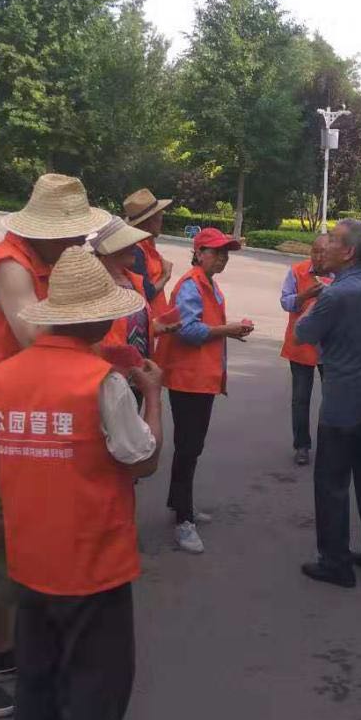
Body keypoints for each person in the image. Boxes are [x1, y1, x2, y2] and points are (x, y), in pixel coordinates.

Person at [0, 175, 111, 719]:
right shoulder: (10, 267)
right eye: (73, 236)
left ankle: (1, 649)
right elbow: (35, 338)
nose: (78, 244)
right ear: (48, 230)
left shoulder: (30, 261)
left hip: (6, 415)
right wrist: (94, 336)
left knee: (10, 536)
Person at [0, 248, 164, 720]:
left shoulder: (3, 377)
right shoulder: (101, 384)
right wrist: (152, 396)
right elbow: (143, 459)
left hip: (29, 557)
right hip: (93, 561)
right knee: (96, 689)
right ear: (101, 319)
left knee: (36, 682)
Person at [296, 218, 361, 588]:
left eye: (332, 240)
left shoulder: (335, 295)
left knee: (332, 484)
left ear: (348, 252)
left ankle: (335, 562)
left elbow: (303, 333)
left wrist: (310, 298)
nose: (324, 245)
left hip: (343, 407)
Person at [154, 228, 253, 555]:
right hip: (189, 379)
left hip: (200, 378)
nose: (222, 258)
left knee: (190, 447)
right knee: (188, 448)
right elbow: (189, 331)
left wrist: (229, 331)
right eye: (216, 252)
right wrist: (228, 330)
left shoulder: (206, 283)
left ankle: (180, 504)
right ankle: (183, 520)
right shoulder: (191, 285)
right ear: (198, 253)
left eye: (226, 253)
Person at [93, 217, 179, 363]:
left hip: (137, 369)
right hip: (111, 369)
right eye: (127, 242)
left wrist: (153, 327)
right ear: (111, 249)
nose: (135, 246)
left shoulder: (134, 281)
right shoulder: (95, 286)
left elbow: (128, 328)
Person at [279, 237, 332, 466]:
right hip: (301, 346)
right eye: (315, 251)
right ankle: (301, 445)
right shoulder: (297, 271)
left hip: (331, 348)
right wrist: (304, 296)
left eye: (324, 252)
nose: (319, 257)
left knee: (332, 399)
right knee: (300, 399)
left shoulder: (341, 274)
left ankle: (330, 444)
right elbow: (285, 302)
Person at [124, 188, 175, 316]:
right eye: (159, 217)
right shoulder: (136, 251)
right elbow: (146, 292)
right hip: (149, 321)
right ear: (149, 221)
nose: (161, 221)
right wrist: (166, 275)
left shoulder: (146, 245)